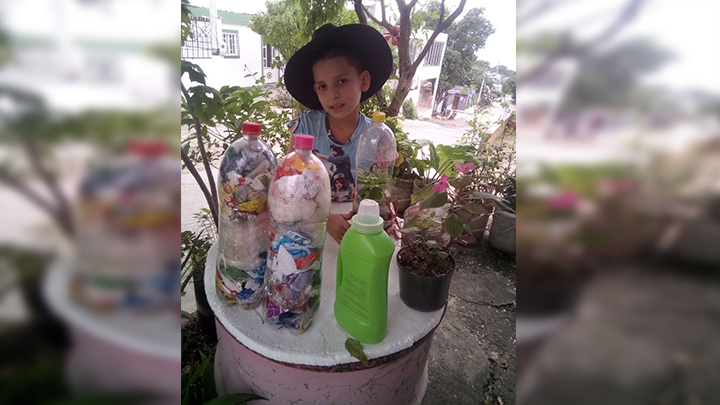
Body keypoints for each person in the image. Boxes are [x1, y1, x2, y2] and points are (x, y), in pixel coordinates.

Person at [284, 23, 393, 244]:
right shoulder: (305, 128)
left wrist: (387, 212)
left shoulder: (377, 136)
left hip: (359, 228)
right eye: (323, 86)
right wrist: (324, 219)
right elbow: (288, 187)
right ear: (316, 90)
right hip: (310, 226)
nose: (332, 94)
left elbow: (381, 191)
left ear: (363, 81)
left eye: (341, 81)